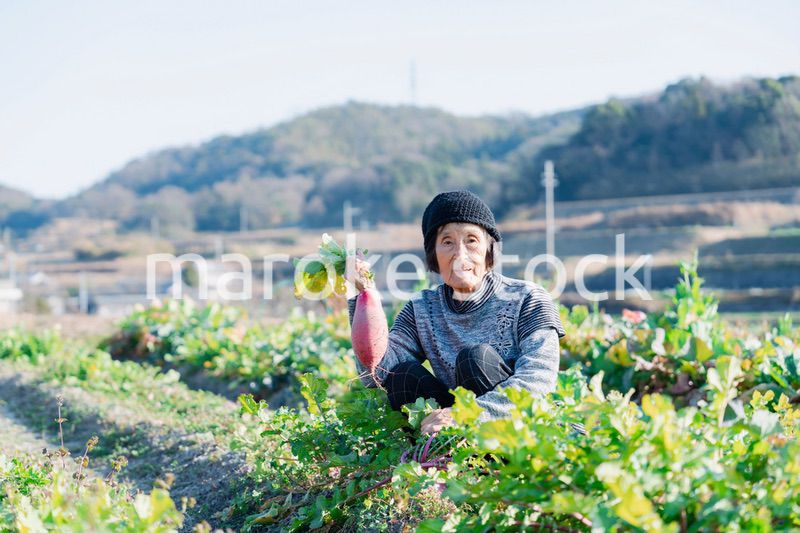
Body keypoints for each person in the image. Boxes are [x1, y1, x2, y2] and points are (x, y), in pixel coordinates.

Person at [346, 190, 565, 435]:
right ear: (434, 255)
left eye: (471, 241)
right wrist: (362, 295)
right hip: (454, 429)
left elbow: (538, 379)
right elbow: (377, 374)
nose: (460, 255)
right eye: (447, 242)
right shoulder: (421, 308)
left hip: (520, 431)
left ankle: (490, 464)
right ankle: (438, 458)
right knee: (402, 377)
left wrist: (466, 416)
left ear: (489, 251)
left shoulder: (528, 298)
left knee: (474, 360)